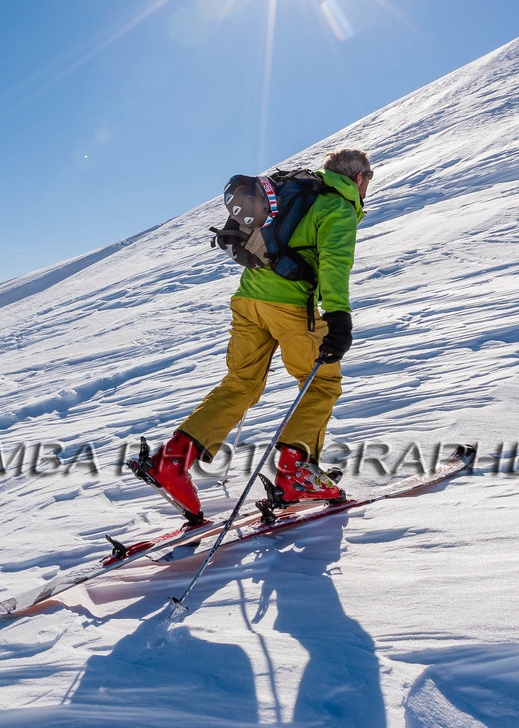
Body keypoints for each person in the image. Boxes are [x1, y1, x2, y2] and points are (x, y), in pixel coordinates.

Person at [145, 148, 372, 516]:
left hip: (248, 300)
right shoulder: (338, 207)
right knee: (321, 383)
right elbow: (334, 264)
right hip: (291, 307)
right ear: (359, 178)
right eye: (367, 182)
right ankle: (295, 473)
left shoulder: (295, 191)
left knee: (241, 384)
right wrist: (339, 317)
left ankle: (171, 461)